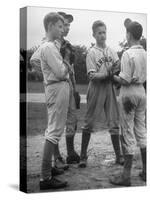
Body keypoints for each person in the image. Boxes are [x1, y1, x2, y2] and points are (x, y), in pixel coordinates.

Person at [78, 20, 124, 168]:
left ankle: (119, 155)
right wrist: (107, 73)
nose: (102, 35)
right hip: (96, 88)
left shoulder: (111, 50)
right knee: (89, 122)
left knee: (113, 121)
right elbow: (92, 75)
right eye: (99, 33)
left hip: (109, 87)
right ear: (94, 34)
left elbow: (117, 66)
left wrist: (113, 71)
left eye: (104, 32)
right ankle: (83, 156)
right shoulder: (91, 52)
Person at [110, 20, 146, 186]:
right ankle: (146, 171)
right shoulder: (146, 53)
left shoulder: (127, 53)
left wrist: (112, 76)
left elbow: (124, 80)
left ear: (129, 35)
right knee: (141, 130)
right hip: (142, 92)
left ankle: (126, 176)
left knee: (127, 132)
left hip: (129, 94)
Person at [37, 12, 71, 190]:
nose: (62, 29)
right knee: (54, 131)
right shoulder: (49, 47)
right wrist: (66, 61)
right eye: (59, 26)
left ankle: (48, 169)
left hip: (54, 87)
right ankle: (45, 177)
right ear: (50, 26)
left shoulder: (45, 45)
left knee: (52, 128)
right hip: (57, 86)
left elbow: (35, 60)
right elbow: (60, 72)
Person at [54, 12, 80, 167]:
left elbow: (72, 69)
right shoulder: (50, 44)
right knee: (57, 121)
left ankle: (70, 152)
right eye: (64, 24)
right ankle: (56, 157)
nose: (67, 27)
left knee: (72, 119)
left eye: (69, 24)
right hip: (57, 86)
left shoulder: (67, 45)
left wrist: (75, 89)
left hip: (69, 85)